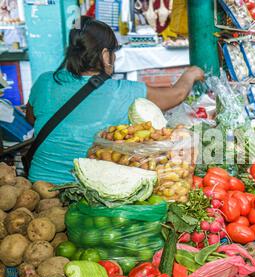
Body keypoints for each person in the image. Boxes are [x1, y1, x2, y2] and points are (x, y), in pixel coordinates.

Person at [25, 17, 204, 184]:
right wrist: (190, 74)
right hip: (84, 189)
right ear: (105, 55)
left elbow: (31, 118)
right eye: (113, 52)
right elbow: (177, 95)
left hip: (37, 184)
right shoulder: (124, 92)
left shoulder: (45, 81)